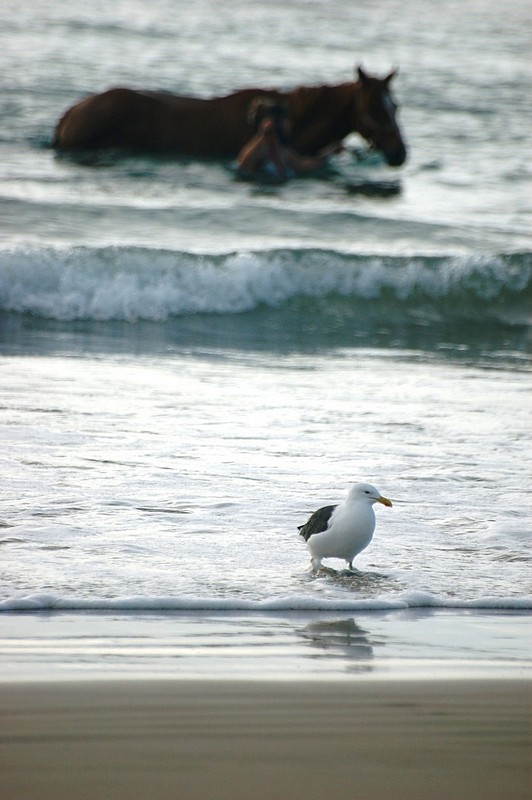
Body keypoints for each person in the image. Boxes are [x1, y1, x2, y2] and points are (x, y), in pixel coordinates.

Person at [236, 98, 342, 183]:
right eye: (286, 121)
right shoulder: (258, 149)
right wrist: (263, 134)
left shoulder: (284, 152)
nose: (290, 125)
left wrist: (330, 151)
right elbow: (243, 165)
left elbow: (306, 164)